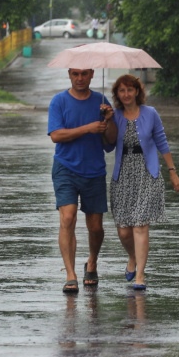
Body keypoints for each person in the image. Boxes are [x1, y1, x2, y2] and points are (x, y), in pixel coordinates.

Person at [105, 74, 179, 291]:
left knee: (140, 225)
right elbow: (108, 146)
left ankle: (140, 275)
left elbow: (161, 141)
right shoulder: (115, 115)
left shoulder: (150, 113)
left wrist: (172, 172)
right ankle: (132, 257)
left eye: (130, 90)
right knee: (123, 230)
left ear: (137, 91)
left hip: (147, 173)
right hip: (123, 175)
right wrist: (107, 121)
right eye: (122, 91)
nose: (126, 94)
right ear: (117, 94)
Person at [48, 68, 116, 294]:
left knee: (96, 227)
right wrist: (88, 128)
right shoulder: (59, 101)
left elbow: (110, 143)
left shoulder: (101, 102)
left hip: (94, 170)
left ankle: (92, 261)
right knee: (68, 217)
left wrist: (109, 120)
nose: (80, 78)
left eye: (84, 74)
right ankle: (70, 274)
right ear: (68, 74)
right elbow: (56, 135)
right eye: (75, 74)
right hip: (65, 167)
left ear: (92, 74)